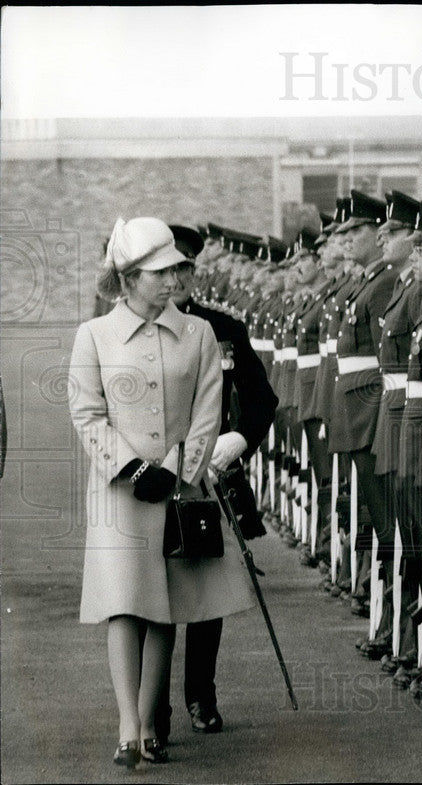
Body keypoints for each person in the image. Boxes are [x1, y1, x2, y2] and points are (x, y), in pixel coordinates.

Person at [68, 217, 255, 768]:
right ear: (127, 277)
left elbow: (208, 411)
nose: (172, 278)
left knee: (163, 609)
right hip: (118, 494)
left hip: (179, 491)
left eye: (175, 268)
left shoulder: (198, 334)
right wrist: (128, 466)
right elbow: (87, 412)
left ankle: (152, 724)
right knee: (123, 605)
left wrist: (178, 469)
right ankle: (129, 727)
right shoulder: (94, 335)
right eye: (159, 271)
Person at [151, 224, 278, 741]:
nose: (178, 278)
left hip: (211, 478)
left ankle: (201, 695)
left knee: (205, 596)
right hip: (154, 479)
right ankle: (152, 711)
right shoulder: (138, 330)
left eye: (186, 268)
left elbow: (262, 400)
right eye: (168, 268)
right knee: (154, 597)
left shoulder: (222, 328)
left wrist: (239, 440)